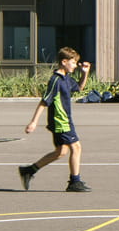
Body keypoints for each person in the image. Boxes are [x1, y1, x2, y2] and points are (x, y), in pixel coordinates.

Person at [20, 48, 92, 192]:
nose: (75, 65)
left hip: (65, 120)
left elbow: (79, 87)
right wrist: (33, 122)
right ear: (64, 62)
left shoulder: (66, 78)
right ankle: (74, 182)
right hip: (60, 121)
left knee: (61, 152)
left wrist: (85, 73)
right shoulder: (55, 80)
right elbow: (44, 101)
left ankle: (29, 171)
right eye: (73, 62)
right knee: (76, 147)